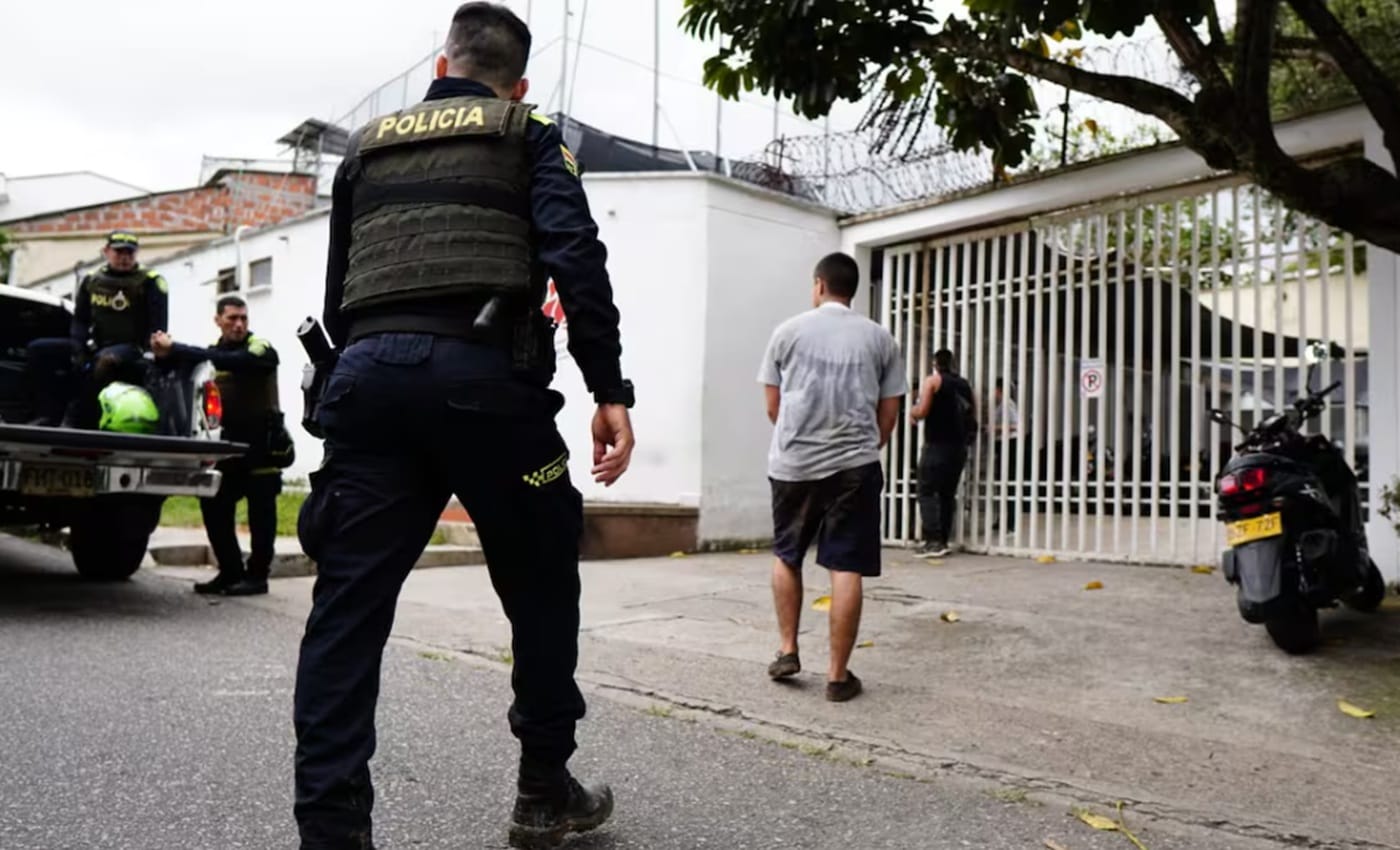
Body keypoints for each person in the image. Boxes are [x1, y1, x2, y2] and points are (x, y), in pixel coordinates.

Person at [292, 5, 636, 849]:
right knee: (543, 584)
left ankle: (331, 833)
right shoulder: (530, 131)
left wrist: (351, 386)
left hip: (368, 388)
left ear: (439, 67)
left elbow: (341, 288)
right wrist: (609, 388)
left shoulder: (367, 146)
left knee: (346, 612)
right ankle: (543, 792)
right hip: (488, 391)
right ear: (518, 84)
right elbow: (576, 256)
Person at [758, 252, 906, 704]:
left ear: (819, 284)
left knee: (787, 555)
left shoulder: (787, 332)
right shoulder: (880, 338)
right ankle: (838, 677)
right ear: (851, 289)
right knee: (846, 566)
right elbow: (888, 415)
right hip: (855, 466)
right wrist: (863, 448)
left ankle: (788, 649)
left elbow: (773, 406)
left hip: (794, 465)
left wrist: (801, 442)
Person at [152, 295, 288, 597]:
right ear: (218, 320)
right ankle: (230, 572)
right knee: (214, 506)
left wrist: (178, 348)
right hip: (226, 447)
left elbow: (239, 362)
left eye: (243, 318)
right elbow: (187, 367)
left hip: (262, 447)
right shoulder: (213, 354)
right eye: (232, 318)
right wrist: (164, 354)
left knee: (262, 516)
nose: (239, 324)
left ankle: (258, 577)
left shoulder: (260, 347)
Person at [27, 230, 169, 427]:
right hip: (96, 345)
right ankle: (47, 413)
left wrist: (149, 352)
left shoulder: (150, 281)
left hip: (133, 348)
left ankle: (79, 419)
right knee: (40, 349)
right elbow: (80, 320)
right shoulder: (92, 280)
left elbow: (158, 326)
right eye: (119, 252)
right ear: (106, 251)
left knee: (104, 361)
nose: (124, 258)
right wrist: (78, 347)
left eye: (129, 253)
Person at [909, 349, 975, 557]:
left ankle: (933, 541)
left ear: (935, 364)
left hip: (936, 444)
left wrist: (912, 411)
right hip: (958, 447)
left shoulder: (933, 381)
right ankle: (943, 540)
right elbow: (972, 412)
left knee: (926, 491)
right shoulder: (964, 385)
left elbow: (922, 411)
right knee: (947, 494)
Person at [989, 378, 1020, 535]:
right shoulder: (1002, 404)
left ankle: (1010, 524)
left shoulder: (1007, 404)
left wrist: (994, 428)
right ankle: (1002, 520)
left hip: (1009, 445)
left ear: (999, 389)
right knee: (1002, 484)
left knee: (1008, 484)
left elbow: (1016, 425)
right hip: (1003, 445)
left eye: (994, 389)